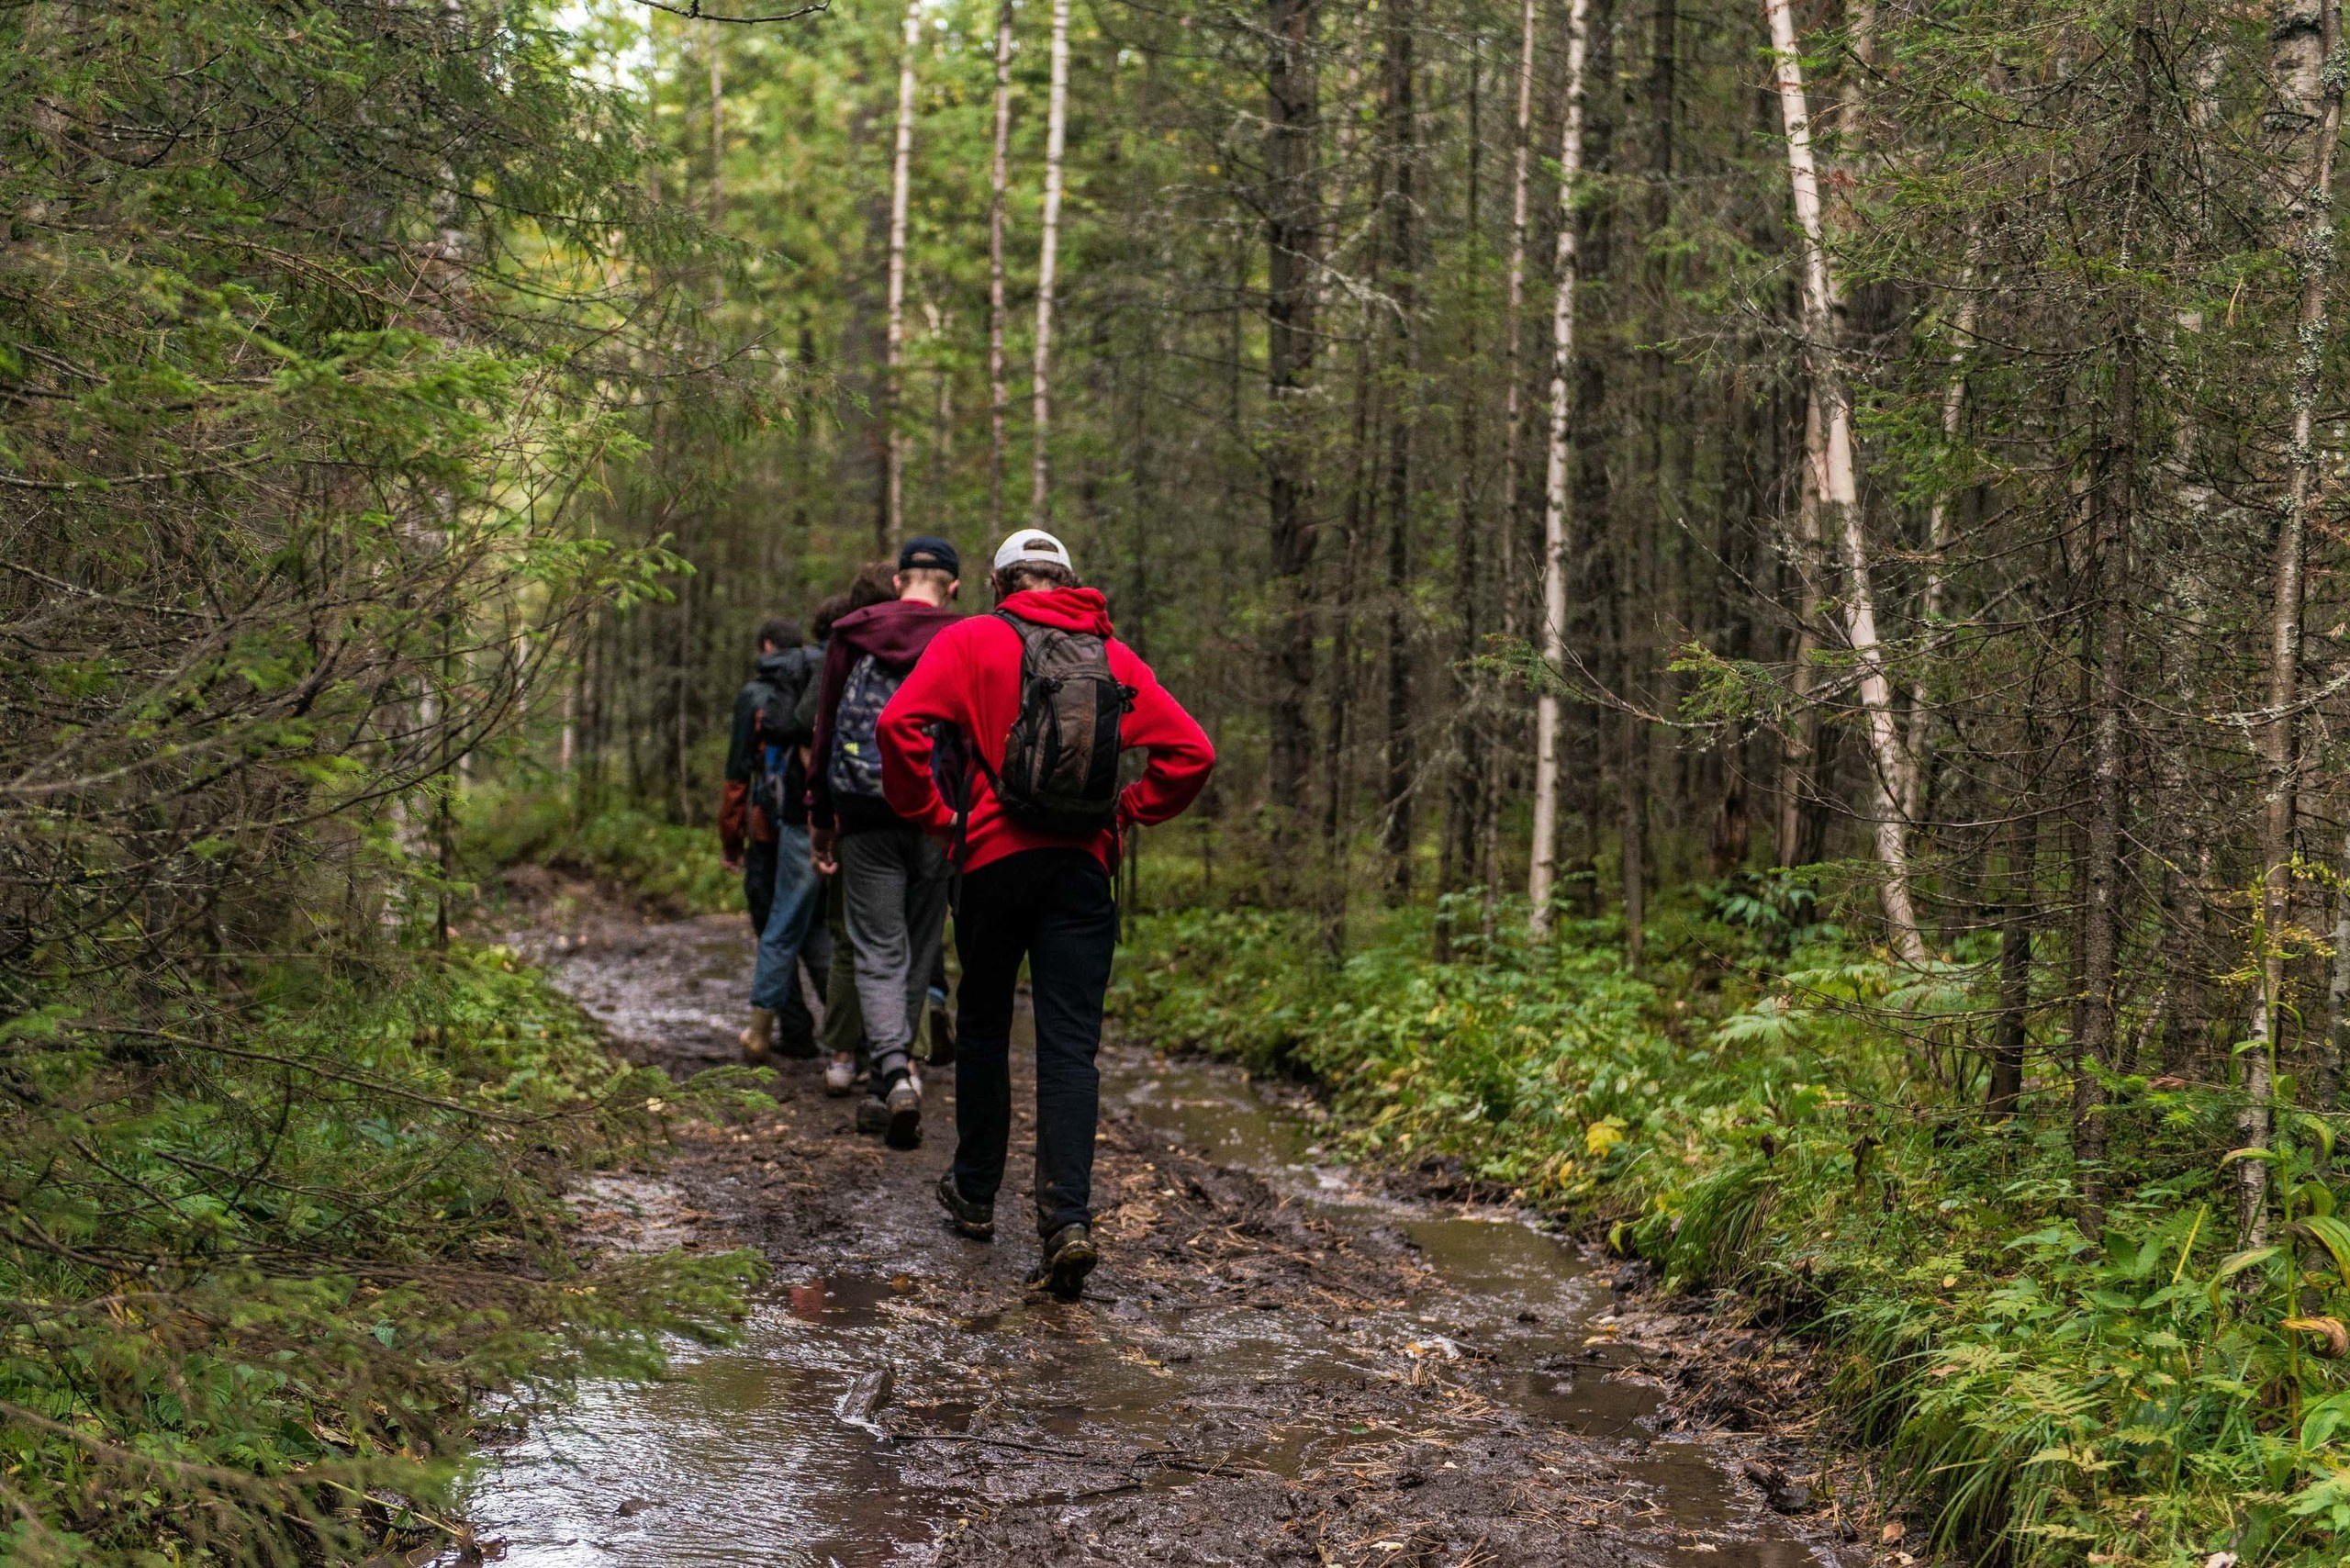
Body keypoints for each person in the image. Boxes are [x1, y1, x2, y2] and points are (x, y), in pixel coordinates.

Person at [878, 530, 1214, 1298]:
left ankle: (973, 1196)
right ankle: (1068, 1222)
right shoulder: (1112, 658)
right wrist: (1130, 808)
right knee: (1070, 1049)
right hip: (1082, 870)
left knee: (986, 1030)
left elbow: (899, 727)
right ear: (1070, 582)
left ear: (998, 588)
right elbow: (1193, 753)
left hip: (993, 864)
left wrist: (932, 812)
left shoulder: (970, 641)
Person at [807, 537, 965, 1148]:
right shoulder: (965, 635)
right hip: (938, 812)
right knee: (920, 944)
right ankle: (900, 1072)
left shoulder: (851, 633)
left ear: (899, 583)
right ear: (952, 587)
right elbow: (975, 736)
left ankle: (890, 1074)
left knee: (876, 946)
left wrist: (821, 817)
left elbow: (825, 732)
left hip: (863, 811)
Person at [721, 617, 826, 1058]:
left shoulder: (757, 695)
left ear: (766, 646)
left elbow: (736, 778)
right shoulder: (819, 677)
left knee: (774, 926)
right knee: (816, 926)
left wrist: (731, 840)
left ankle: (791, 1030)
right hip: (822, 822)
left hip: (771, 827)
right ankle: (846, 1036)